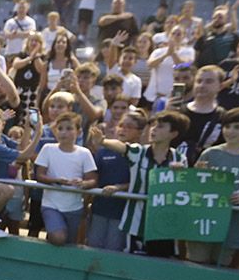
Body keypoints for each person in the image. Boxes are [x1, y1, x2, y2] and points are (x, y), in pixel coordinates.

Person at [102, 111, 189, 257]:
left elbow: (183, 192)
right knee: (134, 262)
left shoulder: (180, 159)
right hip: (136, 221)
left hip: (164, 224)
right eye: (153, 125)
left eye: (160, 127)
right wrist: (102, 141)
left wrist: (179, 175)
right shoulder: (139, 152)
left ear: (173, 134)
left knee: (161, 264)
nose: (154, 129)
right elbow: (122, 146)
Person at [188, 107, 239, 267]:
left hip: (233, 223)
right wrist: (199, 175)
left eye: (237, 127)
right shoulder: (210, 153)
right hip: (204, 220)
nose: (230, 131)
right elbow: (192, 185)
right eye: (227, 126)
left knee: (220, 268)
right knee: (195, 265)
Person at [0, 107, 40, 239]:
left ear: (2, 125)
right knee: (8, 190)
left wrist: (27, 126)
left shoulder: (2, 139)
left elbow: (21, 146)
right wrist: (38, 133)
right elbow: (23, 155)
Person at [34, 112, 97, 246]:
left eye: (69, 128)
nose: (64, 132)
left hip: (74, 207)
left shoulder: (84, 153)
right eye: (60, 128)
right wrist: (55, 180)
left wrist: (83, 183)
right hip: (51, 205)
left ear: (78, 132)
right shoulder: (48, 149)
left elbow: (93, 180)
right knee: (58, 238)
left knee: (69, 243)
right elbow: (39, 175)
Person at [88, 110, 145, 252]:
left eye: (129, 127)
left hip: (123, 213)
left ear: (140, 132)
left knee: (113, 249)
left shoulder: (142, 154)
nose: (123, 129)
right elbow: (94, 178)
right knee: (93, 247)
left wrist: (119, 188)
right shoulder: (103, 152)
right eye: (121, 125)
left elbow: (141, 182)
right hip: (100, 208)